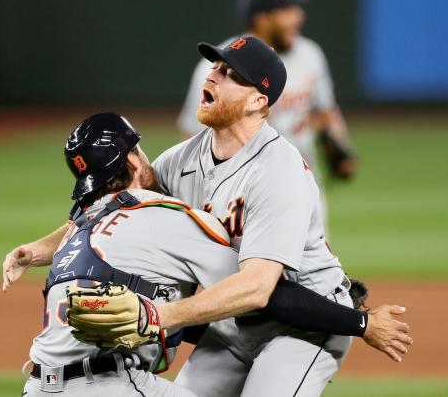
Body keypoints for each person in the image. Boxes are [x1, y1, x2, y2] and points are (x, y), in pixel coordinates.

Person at [4, 113, 411, 396]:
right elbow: (259, 290)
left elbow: (196, 319)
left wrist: (33, 251)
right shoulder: (160, 219)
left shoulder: (80, 227)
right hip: (110, 387)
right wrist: (357, 321)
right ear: (132, 158)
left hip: (39, 386)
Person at [150, 35, 408, 397]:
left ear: (258, 100)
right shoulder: (178, 161)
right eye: (216, 67)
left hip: (306, 325)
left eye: (229, 74)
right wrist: (39, 252)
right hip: (233, 326)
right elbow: (115, 211)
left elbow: (258, 288)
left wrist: (162, 316)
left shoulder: (278, 169)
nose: (212, 76)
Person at [177, 0, 355, 227]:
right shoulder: (218, 68)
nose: (298, 16)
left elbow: (326, 112)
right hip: (241, 194)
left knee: (315, 263)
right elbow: (191, 136)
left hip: (303, 185)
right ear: (261, 19)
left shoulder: (310, 55)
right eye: (287, 10)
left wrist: (340, 143)